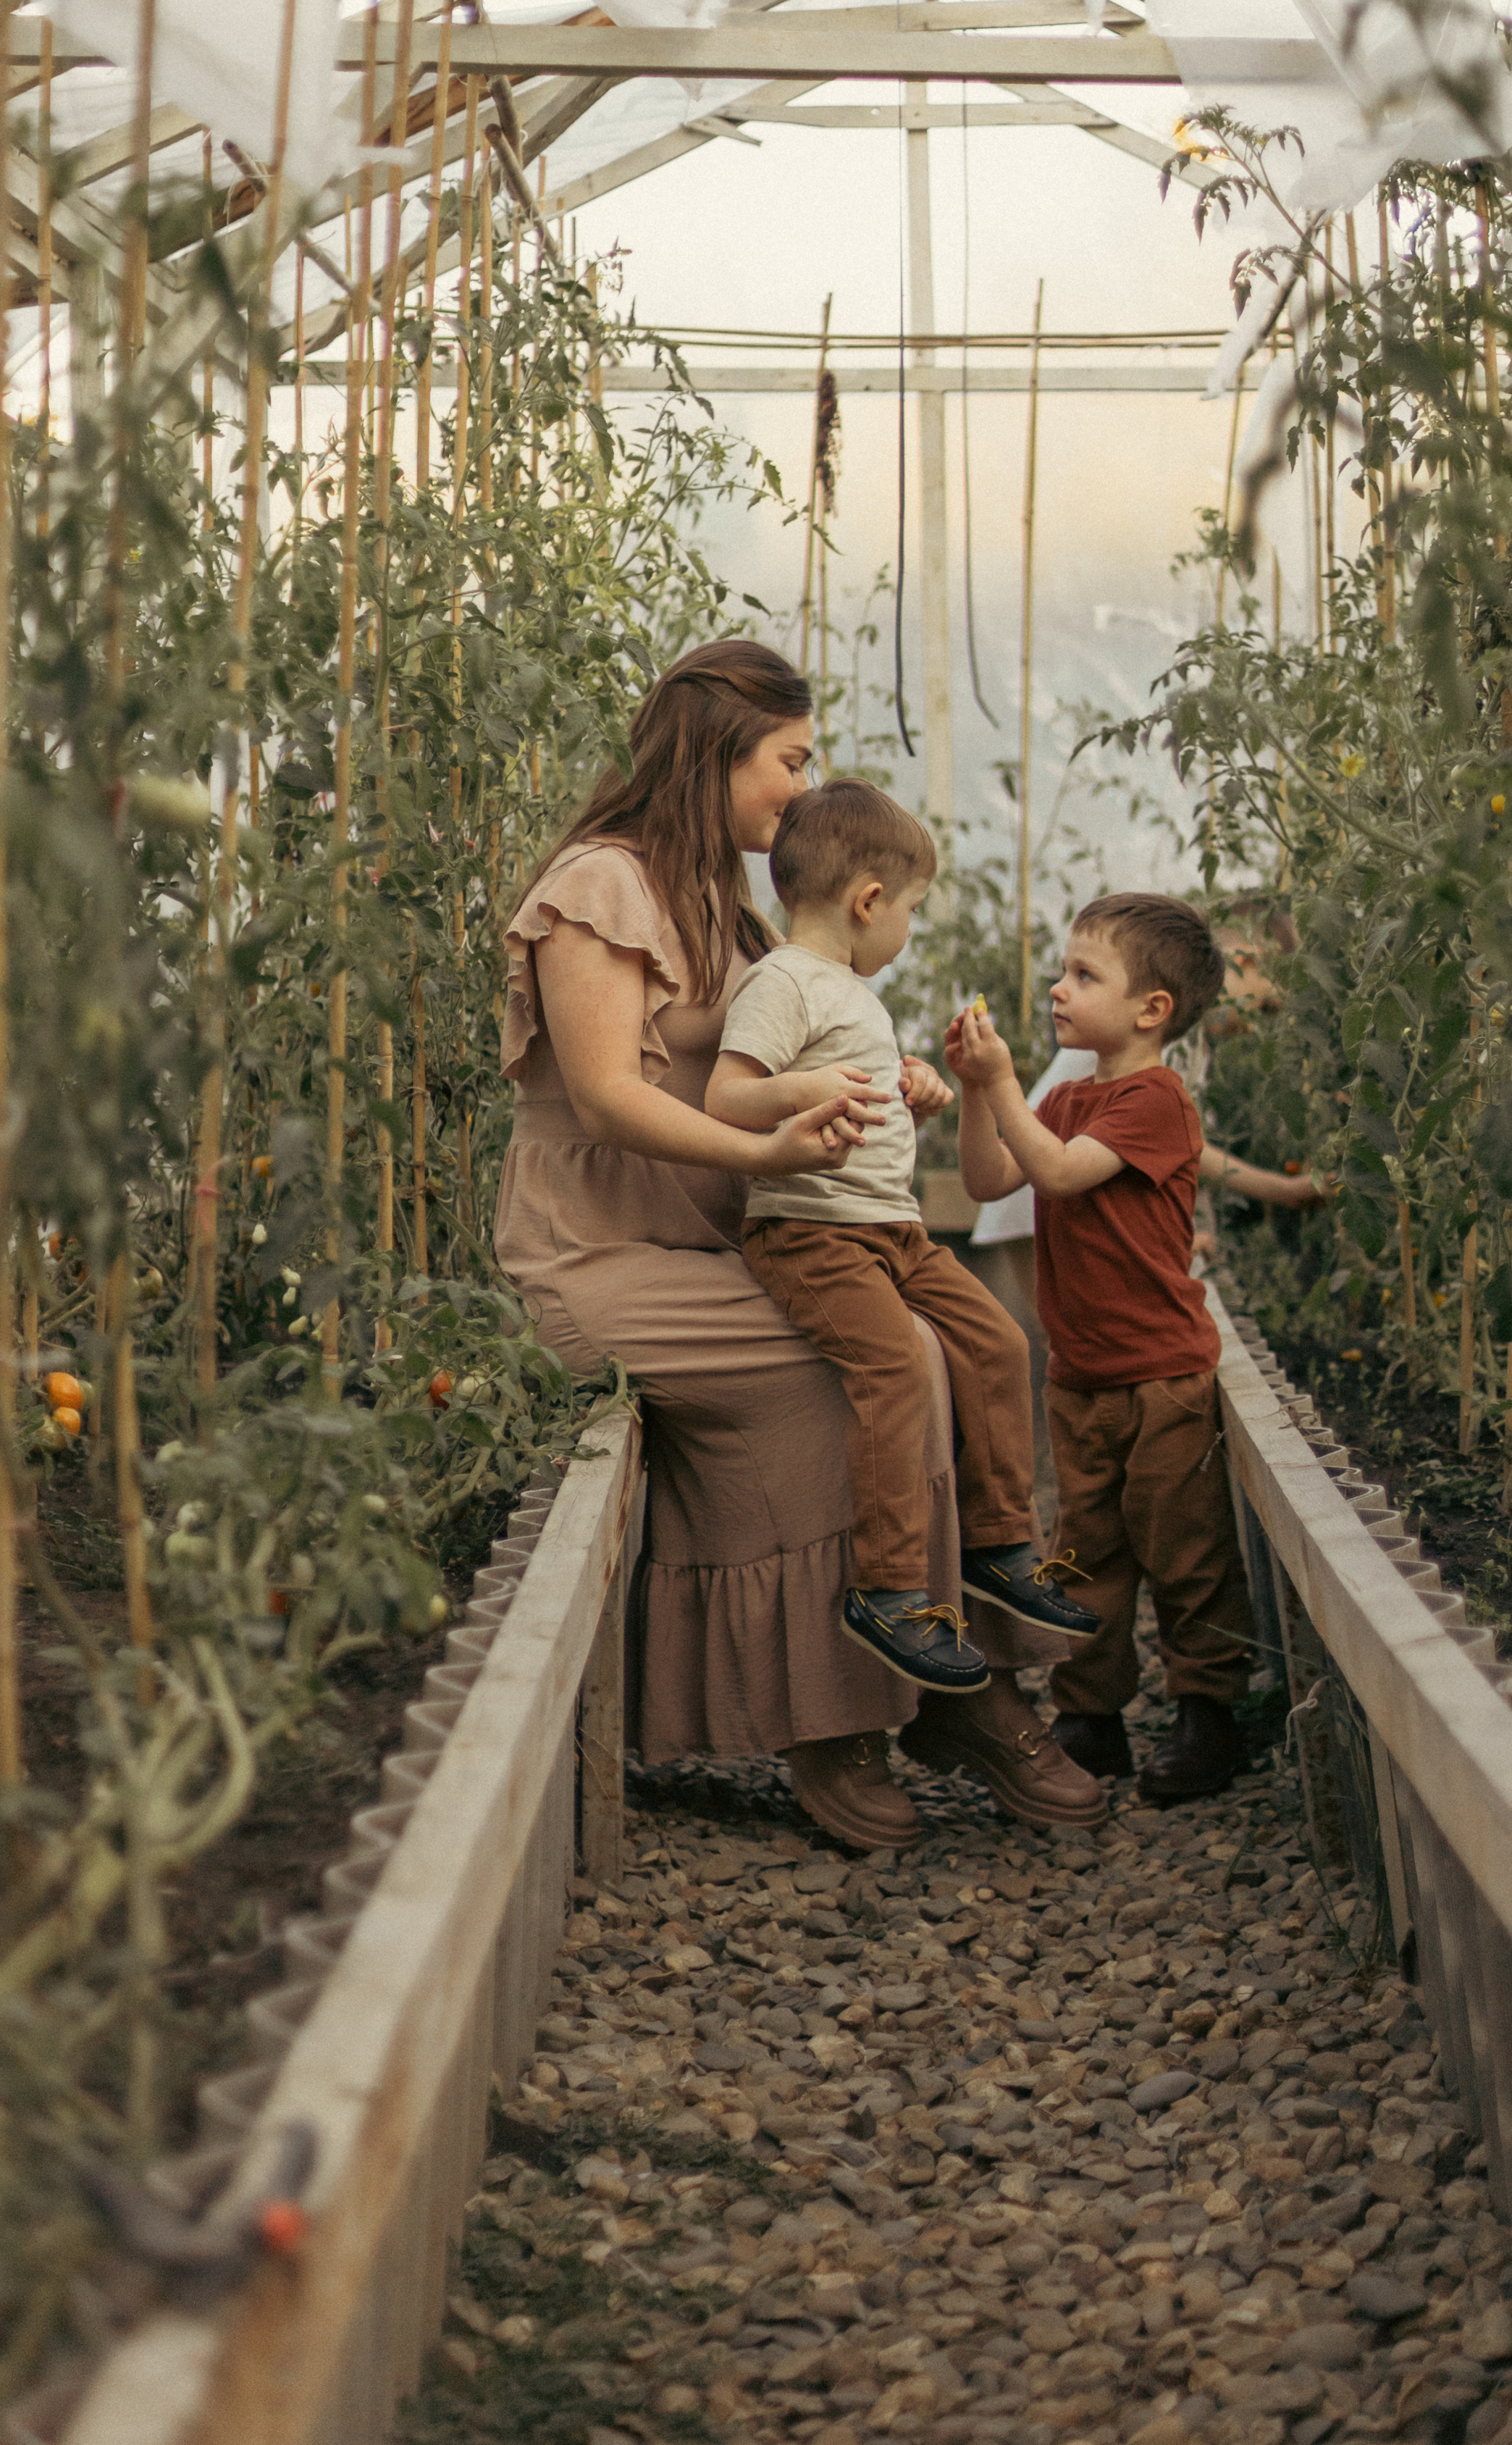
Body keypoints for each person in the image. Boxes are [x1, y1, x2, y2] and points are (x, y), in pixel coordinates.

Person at [493, 639, 1088, 1854]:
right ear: (715, 759)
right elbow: (608, 1096)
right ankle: (860, 1716)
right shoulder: (601, 885)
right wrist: (770, 1157)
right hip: (596, 1254)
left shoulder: (734, 908)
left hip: (717, 1247)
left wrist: (895, 1087)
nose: (800, 787)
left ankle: (941, 1673)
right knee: (887, 1366)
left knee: (921, 1344)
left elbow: (802, 1061)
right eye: (789, 760)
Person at [707, 778, 1103, 1733]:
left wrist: (913, 1085)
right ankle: (885, 1592)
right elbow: (727, 1098)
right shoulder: (783, 981)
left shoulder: (848, 992)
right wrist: (811, 1088)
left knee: (999, 1344)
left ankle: (999, 1542)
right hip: (812, 1234)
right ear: (868, 903)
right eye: (914, 910)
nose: (911, 932)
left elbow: (859, 1083)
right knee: (896, 1371)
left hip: (892, 1230)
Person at [948, 892, 1327, 1805]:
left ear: (1152, 1009)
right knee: (1085, 1553)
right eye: (1062, 970)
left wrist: (1002, 1085)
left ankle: (1208, 1710)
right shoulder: (1070, 1091)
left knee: (1185, 1552)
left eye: (1084, 975)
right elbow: (989, 1175)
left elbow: (1061, 1172)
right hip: (1081, 1379)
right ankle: (1090, 1715)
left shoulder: (1156, 1100)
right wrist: (973, 1091)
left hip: (1163, 1378)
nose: (1057, 987)